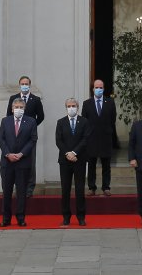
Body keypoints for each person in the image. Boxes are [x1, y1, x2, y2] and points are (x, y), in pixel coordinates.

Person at [0, 97, 38, 227]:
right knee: (7, 191)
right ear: (12, 109)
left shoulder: (31, 121)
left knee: (21, 192)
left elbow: (33, 140)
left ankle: (21, 217)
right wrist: (7, 154)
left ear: (24, 109)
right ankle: (6, 218)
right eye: (16, 107)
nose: (18, 109)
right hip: (7, 162)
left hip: (23, 162)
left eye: (21, 107)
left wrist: (21, 154)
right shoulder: (5, 121)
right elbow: (1, 139)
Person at [55, 97, 92, 226]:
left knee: (80, 189)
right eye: (69, 106)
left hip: (79, 159)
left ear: (78, 107)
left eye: (73, 106)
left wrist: (74, 153)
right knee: (65, 189)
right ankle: (66, 216)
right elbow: (58, 140)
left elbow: (85, 139)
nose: (71, 108)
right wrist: (68, 153)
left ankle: (81, 216)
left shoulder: (84, 122)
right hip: (65, 160)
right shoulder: (61, 122)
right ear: (66, 108)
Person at [6, 75, 45, 197]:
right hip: (15, 135)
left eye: (26, 84)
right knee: (16, 160)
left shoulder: (36, 99)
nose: (24, 86)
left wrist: (31, 126)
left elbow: (41, 116)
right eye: (22, 84)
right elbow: (8, 115)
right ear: (19, 85)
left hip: (29, 137)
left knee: (30, 162)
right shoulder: (13, 98)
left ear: (29, 85)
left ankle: (29, 188)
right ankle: (18, 187)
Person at [82, 78, 117, 196]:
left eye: (101, 87)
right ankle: (92, 187)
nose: (99, 89)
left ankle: (106, 187)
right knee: (91, 165)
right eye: (96, 87)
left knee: (106, 165)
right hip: (91, 138)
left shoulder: (110, 102)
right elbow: (84, 121)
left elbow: (112, 119)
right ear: (93, 89)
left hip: (105, 138)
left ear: (104, 89)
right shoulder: (87, 103)